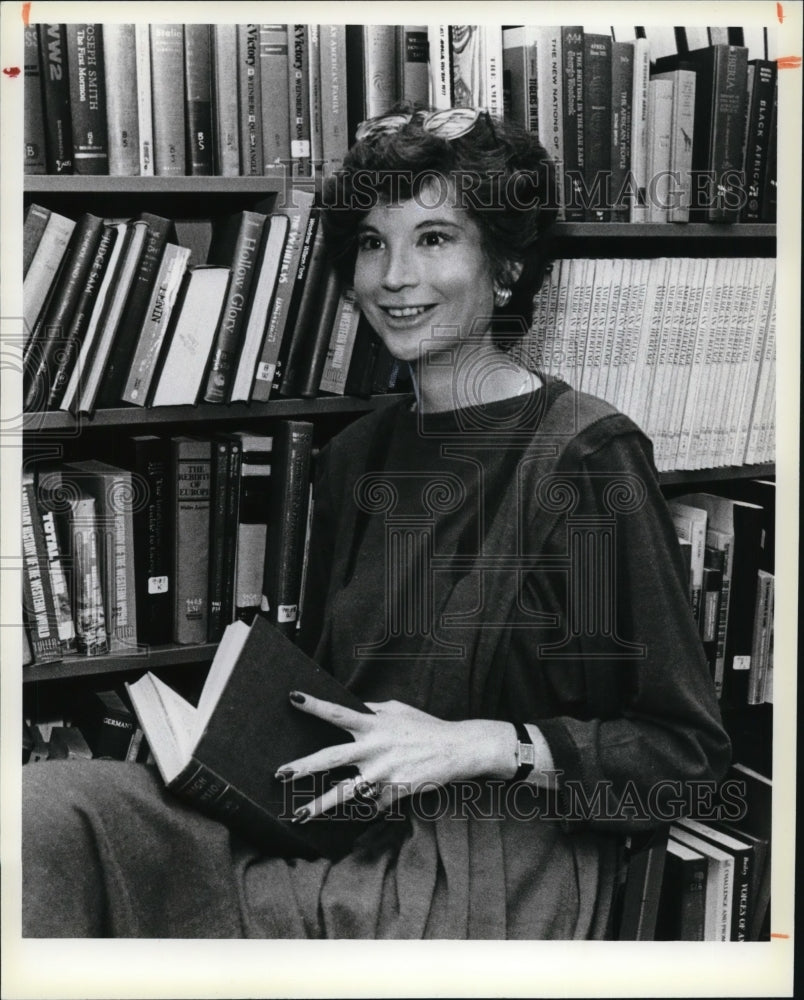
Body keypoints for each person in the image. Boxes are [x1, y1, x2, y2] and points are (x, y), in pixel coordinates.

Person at [22, 107, 731, 940]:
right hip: (334, 817)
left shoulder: (585, 457)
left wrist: (489, 744)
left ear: (504, 266)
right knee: (44, 813)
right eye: (371, 242)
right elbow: (334, 689)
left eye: (434, 239)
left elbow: (683, 760)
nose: (394, 276)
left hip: (482, 847)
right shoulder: (356, 452)